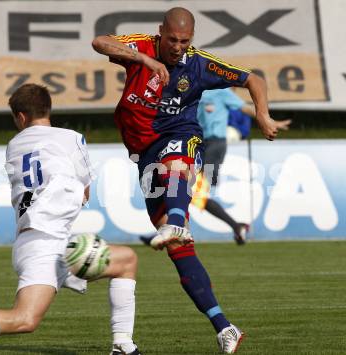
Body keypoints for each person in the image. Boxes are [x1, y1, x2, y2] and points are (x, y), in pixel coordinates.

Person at [93, 7, 288, 353]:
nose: (178, 47)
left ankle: (178, 221)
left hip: (180, 135)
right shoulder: (142, 47)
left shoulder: (200, 64)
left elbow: (253, 79)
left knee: (177, 167)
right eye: (172, 40)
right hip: (142, 151)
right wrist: (145, 60)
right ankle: (225, 327)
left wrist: (262, 114)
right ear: (160, 33)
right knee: (178, 250)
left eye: (185, 41)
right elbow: (99, 41)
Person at [0, 84, 141, 355]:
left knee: (126, 261)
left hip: (43, 238)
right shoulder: (71, 138)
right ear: (48, 109)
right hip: (44, 243)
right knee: (24, 319)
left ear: (20, 117)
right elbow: (84, 192)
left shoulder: (14, 145)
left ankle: (123, 345)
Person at [198, 88, 291, 185]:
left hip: (215, 141)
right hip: (197, 142)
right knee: (198, 177)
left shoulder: (221, 91)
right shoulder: (196, 89)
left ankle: (207, 197)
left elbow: (245, 108)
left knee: (206, 178)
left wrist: (268, 121)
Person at [140, 172, 249, 245]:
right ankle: (167, 232)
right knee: (172, 197)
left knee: (196, 198)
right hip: (183, 161)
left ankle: (237, 226)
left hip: (186, 163)